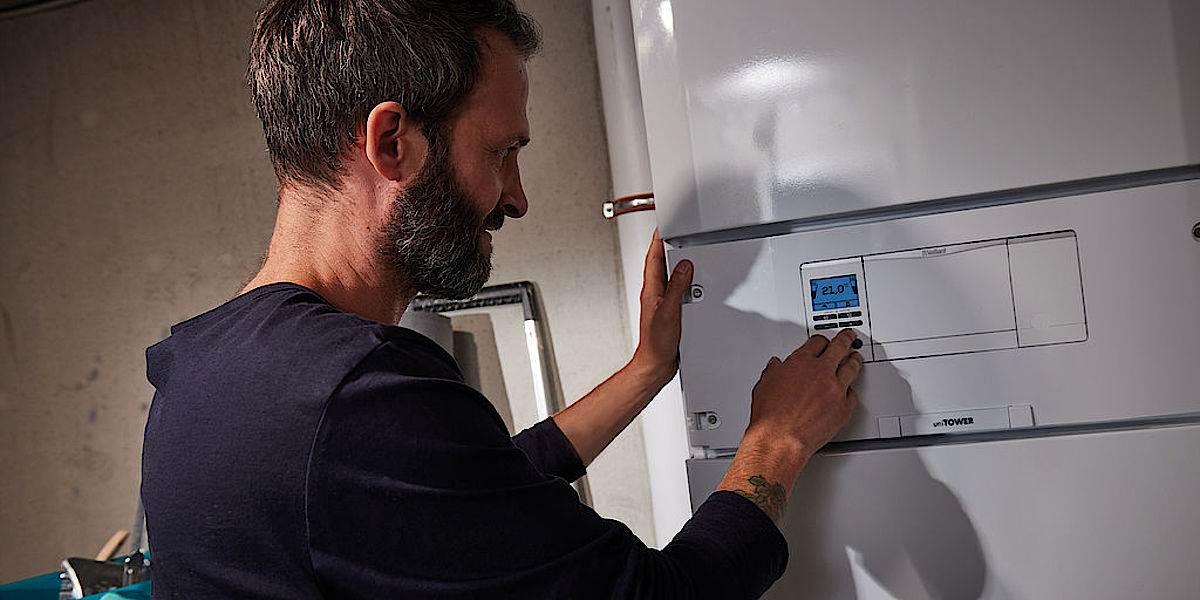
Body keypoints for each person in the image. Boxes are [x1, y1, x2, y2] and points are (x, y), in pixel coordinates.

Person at [140, 1, 863, 598]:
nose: (516, 198)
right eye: (501, 152)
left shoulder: (199, 369)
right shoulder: (360, 392)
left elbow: (467, 493)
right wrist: (778, 439)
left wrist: (646, 369)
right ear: (392, 143)